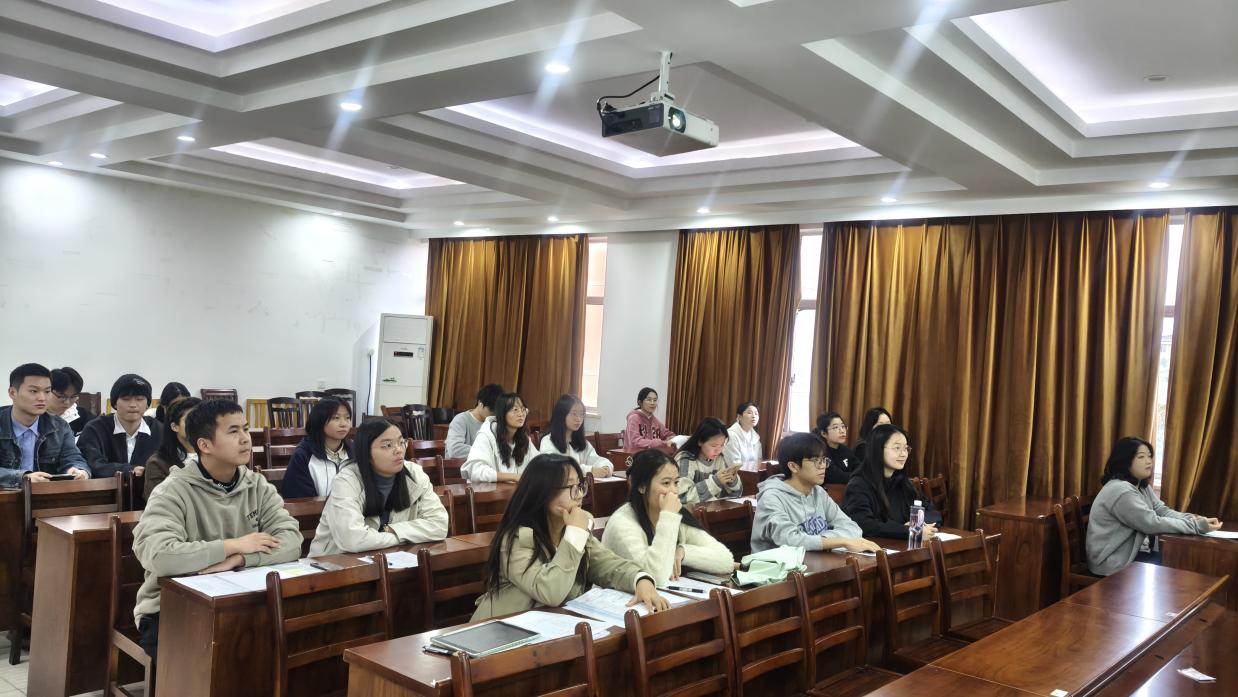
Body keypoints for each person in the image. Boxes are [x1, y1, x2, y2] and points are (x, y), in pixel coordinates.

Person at [132, 399, 302, 662]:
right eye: (233, 431)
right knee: (213, 657)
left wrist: (241, 559)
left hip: (241, 600)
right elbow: (159, 555)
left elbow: (291, 541)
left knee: (290, 641)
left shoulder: (257, 485)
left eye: (246, 429)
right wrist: (233, 545)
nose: (245, 439)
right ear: (205, 445)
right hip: (172, 606)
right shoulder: (172, 491)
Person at [471, 454, 669, 620]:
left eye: (580, 486)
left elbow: (608, 565)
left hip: (550, 628)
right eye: (570, 487)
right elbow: (550, 592)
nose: (579, 494)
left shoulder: (573, 530)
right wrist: (575, 534)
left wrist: (640, 579)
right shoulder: (516, 539)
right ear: (543, 493)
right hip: (502, 634)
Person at [308, 420, 448, 556]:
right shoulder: (346, 480)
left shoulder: (414, 474)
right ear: (366, 453)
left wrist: (391, 530)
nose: (398, 450)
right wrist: (399, 535)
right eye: (387, 445)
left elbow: (439, 525)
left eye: (401, 442)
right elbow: (353, 540)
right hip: (334, 562)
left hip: (388, 558)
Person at [1086, 437, 1220, 576]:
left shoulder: (1141, 486)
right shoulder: (1120, 490)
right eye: (1141, 457)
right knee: (1178, 568)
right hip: (1111, 563)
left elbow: (1163, 511)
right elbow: (1151, 524)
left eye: (1150, 456)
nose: (1149, 461)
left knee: (1180, 564)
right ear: (1125, 461)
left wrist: (1196, 519)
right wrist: (1196, 526)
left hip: (1131, 557)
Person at [601, 449, 736, 585]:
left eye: (676, 483)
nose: (673, 491)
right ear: (642, 486)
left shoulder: (677, 514)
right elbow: (654, 576)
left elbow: (726, 560)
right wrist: (668, 517)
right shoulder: (623, 523)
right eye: (666, 483)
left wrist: (684, 552)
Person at [751, 433, 877, 554]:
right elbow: (789, 539)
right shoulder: (771, 498)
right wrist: (842, 541)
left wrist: (821, 540)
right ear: (793, 466)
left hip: (813, 561)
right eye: (816, 461)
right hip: (774, 566)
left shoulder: (818, 492)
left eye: (824, 460)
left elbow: (853, 528)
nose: (823, 466)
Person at [843, 424, 940, 540]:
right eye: (897, 448)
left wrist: (917, 524)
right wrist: (909, 531)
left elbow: (932, 512)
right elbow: (865, 524)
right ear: (878, 450)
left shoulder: (903, 482)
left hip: (902, 546)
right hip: (875, 547)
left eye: (906, 448)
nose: (903, 454)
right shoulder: (858, 485)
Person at [0, 363, 91, 486]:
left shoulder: (60, 427)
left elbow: (73, 457)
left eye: (47, 391)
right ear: (12, 393)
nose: (42, 398)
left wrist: (78, 470)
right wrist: (22, 478)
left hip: (47, 495)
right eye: (34, 391)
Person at [77, 374, 162, 478]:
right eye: (126, 399)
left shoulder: (159, 430)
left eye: (139, 399)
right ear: (114, 403)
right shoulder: (95, 428)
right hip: (103, 487)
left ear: (148, 404)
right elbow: (91, 463)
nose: (133, 405)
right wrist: (129, 470)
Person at [282, 397, 354, 499]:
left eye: (347, 418)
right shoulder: (304, 455)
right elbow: (299, 499)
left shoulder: (355, 452)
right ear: (319, 420)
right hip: (315, 509)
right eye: (336, 418)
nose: (344, 424)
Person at [461, 393, 536, 483]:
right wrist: (513, 477)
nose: (521, 414)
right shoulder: (486, 435)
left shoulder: (524, 438)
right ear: (502, 413)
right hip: (486, 490)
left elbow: (538, 463)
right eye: (515, 410)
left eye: (523, 409)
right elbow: (475, 471)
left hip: (512, 490)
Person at [539, 394, 613, 478]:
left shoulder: (582, 442)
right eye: (574, 414)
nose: (578, 419)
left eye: (581, 414)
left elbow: (597, 459)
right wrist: (590, 470)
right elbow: (555, 467)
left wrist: (606, 467)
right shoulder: (548, 441)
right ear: (562, 415)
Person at [143, 397, 201, 499]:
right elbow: (157, 501)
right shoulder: (158, 463)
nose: (198, 424)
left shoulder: (216, 456)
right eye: (190, 420)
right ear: (174, 426)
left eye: (203, 419)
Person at [675, 417, 741, 504]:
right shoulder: (685, 459)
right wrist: (715, 482)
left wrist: (732, 481)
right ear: (700, 442)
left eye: (721, 445)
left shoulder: (719, 459)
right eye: (714, 446)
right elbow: (683, 497)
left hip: (714, 509)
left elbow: (735, 495)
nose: (718, 451)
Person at [445, 383, 505, 459]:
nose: (494, 415)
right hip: (460, 465)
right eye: (491, 411)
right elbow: (455, 450)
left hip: (483, 464)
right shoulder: (461, 420)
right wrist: (487, 452)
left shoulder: (494, 423)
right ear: (480, 403)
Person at [813, 411, 859, 484]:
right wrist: (859, 477)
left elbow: (859, 467)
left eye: (843, 426)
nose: (842, 431)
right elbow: (837, 477)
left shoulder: (845, 450)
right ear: (824, 433)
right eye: (835, 427)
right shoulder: (820, 452)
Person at [47, 367, 94, 435]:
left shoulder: (82, 415)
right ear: (47, 391)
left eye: (73, 397)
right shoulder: (36, 417)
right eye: (61, 396)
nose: (67, 402)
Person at [724, 402, 762, 466]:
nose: (754, 416)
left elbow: (759, 460)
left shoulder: (755, 436)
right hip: (736, 472)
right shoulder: (731, 435)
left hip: (753, 471)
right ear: (739, 417)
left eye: (756, 413)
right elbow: (734, 464)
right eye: (749, 413)